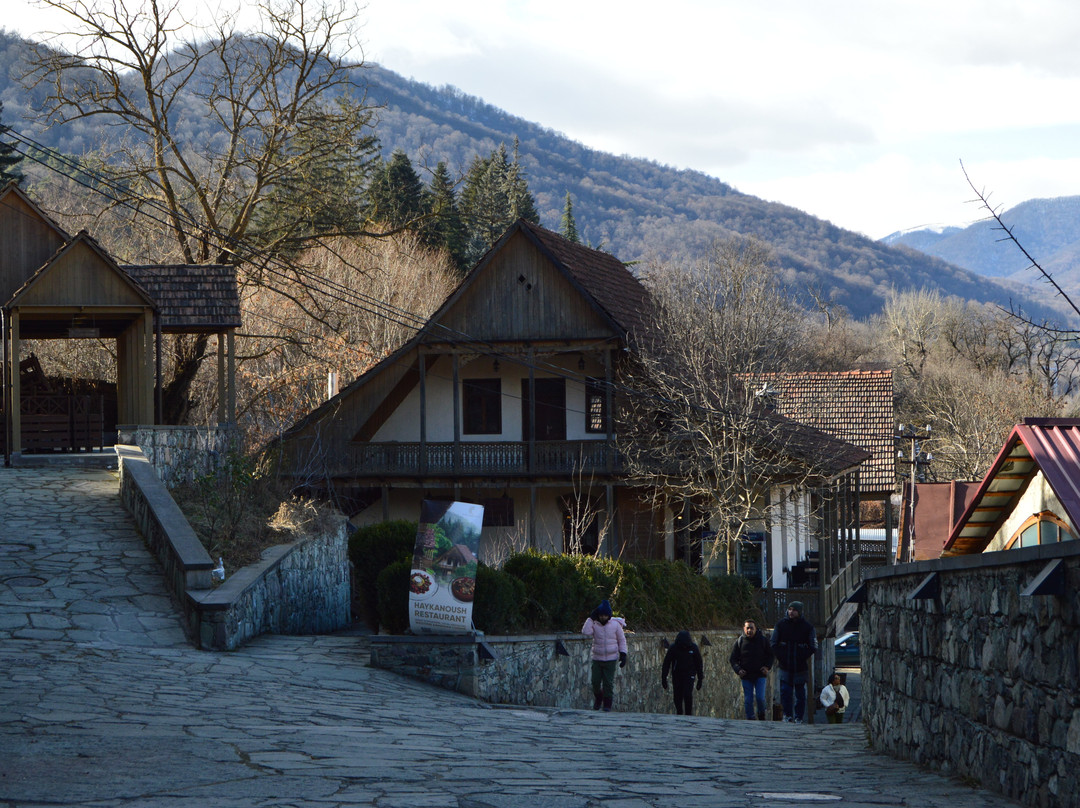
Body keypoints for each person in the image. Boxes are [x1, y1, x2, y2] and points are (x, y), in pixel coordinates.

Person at [770, 600, 818, 723]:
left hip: (800, 666)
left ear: (799, 611)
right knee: (785, 692)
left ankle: (799, 717)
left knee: (800, 695)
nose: (791, 612)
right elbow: (773, 643)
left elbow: (813, 646)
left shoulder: (807, 627)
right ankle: (787, 715)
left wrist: (801, 655)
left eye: (794, 610)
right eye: (790, 609)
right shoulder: (780, 625)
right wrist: (782, 656)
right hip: (785, 665)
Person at [581, 599, 627, 712]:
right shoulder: (595, 624)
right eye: (601, 615)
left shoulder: (616, 625)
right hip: (597, 658)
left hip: (611, 659)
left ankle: (607, 704)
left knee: (608, 683)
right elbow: (585, 632)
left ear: (609, 615)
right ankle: (598, 697)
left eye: (605, 615)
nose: (603, 617)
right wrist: (591, 618)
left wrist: (623, 653)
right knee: (595, 682)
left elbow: (622, 640)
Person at [729, 618, 773, 720]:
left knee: (760, 698)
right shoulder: (740, 642)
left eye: (751, 628)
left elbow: (771, 655)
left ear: (755, 628)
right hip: (746, 675)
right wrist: (738, 670)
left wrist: (767, 667)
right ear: (744, 629)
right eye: (747, 628)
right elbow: (733, 659)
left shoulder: (763, 640)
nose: (749, 630)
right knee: (748, 700)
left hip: (760, 675)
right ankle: (750, 719)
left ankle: (761, 715)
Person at [661, 630, 704, 715]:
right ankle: (679, 712)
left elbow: (699, 664)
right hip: (677, 674)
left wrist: (700, 679)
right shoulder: (673, 648)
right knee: (677, 695)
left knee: (687, 694)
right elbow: (666, 663)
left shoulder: (693, 648)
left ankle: (688, 714)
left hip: (689, 674)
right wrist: (664, 678)